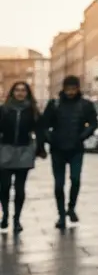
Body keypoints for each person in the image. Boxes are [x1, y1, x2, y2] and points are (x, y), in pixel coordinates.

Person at [40, 75, 97, 230]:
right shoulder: (55, 104)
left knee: (75, 179)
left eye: (73, 89)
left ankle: (71, 207)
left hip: (76, 148)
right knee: (59, 184)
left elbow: (93, 123)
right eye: (68, 89)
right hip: (58, 149)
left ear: (78, 89)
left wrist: (82, 137)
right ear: (63, 89)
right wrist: (50, 139)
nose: (70, 92)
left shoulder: (85, 105)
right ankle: (61, 215)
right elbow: (44, 125)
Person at [0, 81, 45, 234]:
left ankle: (17, 219)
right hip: (5, 149)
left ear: (27, 93)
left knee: (20, 188)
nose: (20, 93)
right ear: (12, 92)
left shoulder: (32, 111)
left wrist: (40, 148)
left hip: (24, 151)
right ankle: (5, 214)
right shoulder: (3, 109)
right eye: (17, 90)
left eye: (23, 90)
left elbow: (40, 130)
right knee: (4, 186)